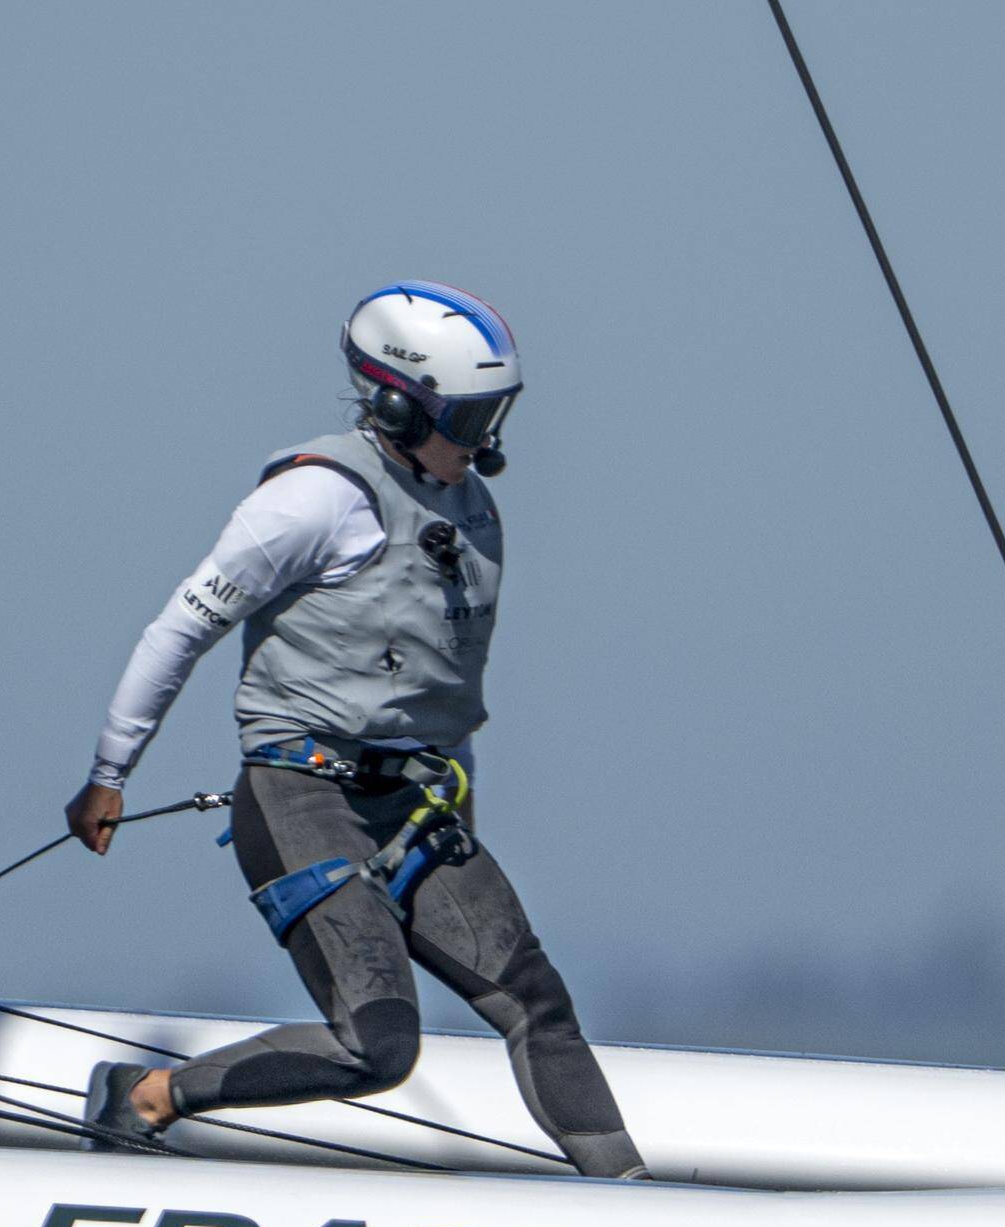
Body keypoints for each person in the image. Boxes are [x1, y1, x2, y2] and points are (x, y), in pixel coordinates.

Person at [63, 284, 642, 1179]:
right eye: (469, 417)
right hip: (302, 796)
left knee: (538, 1000)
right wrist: (111, 772)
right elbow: (182, 626)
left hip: (415, 804)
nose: (486, 439)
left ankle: (629, 1193)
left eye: (498, 415)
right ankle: (147, 1095)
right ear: (396, 405)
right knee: (379, 1047)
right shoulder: (314, 501)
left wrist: (465, 808)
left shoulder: (471, 508)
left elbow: (443, 688)